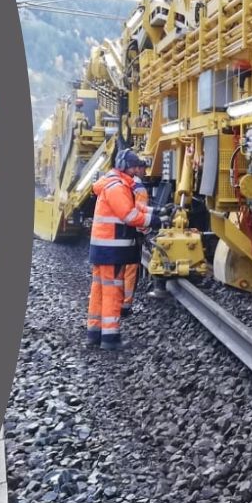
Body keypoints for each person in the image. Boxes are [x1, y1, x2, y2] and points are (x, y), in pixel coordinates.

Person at [87, 148, 152, 351]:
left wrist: (154, 211)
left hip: (102, 248)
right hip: (112, 250)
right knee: (112, 292)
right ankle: (110, 338)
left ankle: (94, 333)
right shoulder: (117, 187)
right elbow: (129, 215)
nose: (136, 171)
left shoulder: (111, 183)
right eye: (133, 167)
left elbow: (129, 210)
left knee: (98, 290)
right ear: (125, 166)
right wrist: (154, 220)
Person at [122, 166, 151, 312]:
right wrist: (146, 232)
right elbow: (139, 214)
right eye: (143, 168)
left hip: (116, 234)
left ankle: (115, 302)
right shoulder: (139, 188)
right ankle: (125, 305)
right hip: (130, 235)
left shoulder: (119, 184)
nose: (146, 172)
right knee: (131, 269)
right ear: (137, 169)